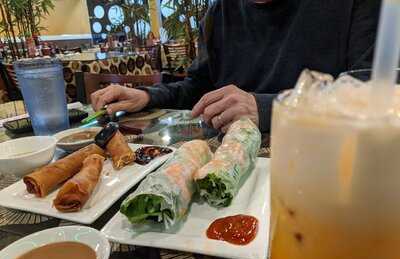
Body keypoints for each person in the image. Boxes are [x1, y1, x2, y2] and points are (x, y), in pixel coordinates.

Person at [92, 0, 381, 133]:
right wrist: (147, 96)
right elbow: (199, 86)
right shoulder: (220, 11)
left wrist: (267, 108)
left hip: (318, 165)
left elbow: (371, 96)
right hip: (225, 159)